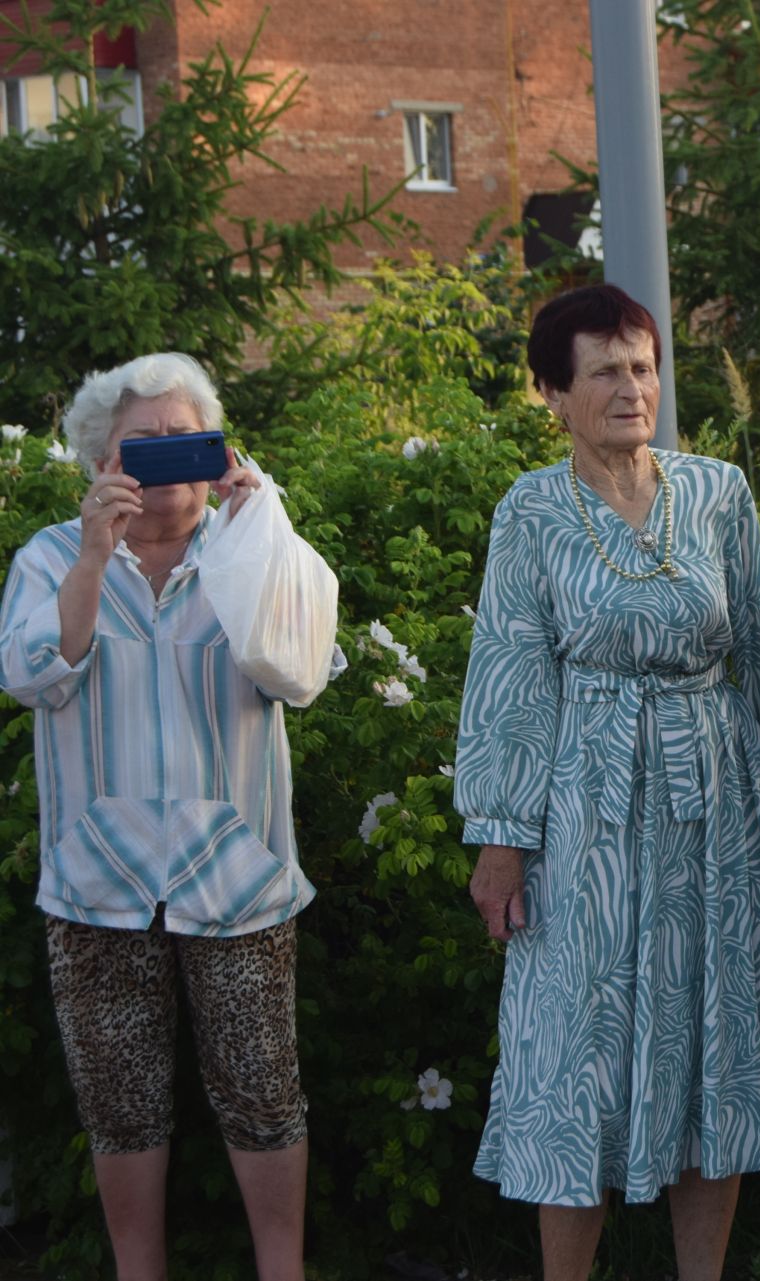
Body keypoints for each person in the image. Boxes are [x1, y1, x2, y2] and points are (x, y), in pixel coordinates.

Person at [455, 284, 760, 1281]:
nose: (633, 388)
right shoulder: (532, 510)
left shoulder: (718, 495)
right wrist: (500, 835)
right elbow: (510, 672)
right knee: (575, 1052)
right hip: (584, 809)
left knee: (714, 1038)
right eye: (607, 371)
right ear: (553, 393)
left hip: (719, 807)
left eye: (645, 366)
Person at [0, 353, 329, 1281]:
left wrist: (259, 519)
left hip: (238, 882)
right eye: (136, 446)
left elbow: (298, 671)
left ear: (213, 448)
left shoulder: (251, 547)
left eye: (179, 439)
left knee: (266, 1101)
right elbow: (31, 676)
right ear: (98, 462)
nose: (159, 462)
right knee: (121, 1111)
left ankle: (283, 1273)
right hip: (98, 885)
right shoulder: (49, 558)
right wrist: (95, 557)